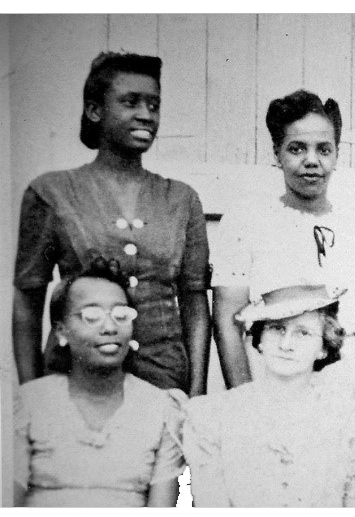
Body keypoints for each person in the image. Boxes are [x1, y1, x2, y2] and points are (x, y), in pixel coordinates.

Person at [13, 52, 211, 396]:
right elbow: (28, 302)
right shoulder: (52, 193)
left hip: (162, 382)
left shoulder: (181, 199)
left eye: (154, 105)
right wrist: (31, 398)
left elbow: (194, 304)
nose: (146, 115)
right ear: (95, 110)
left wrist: (195, 397)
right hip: (73, 382)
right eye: (131, 102)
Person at [212, 89, 355, 407]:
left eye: (323, 149)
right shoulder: (245, 221)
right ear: (277, 153)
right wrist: (245, 407)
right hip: (268, 383)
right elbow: (228, 323)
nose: (312, 160)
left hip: (342, 388)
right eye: (297, 149)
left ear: (337, 154)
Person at [13, 258, 186, 507]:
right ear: (61, 332)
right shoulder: (27, 405)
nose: (109, 327)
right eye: (91, 315)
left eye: (121, 314)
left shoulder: (161, 410)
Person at [183, 284, 355, 507]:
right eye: (276, 329)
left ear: (324, 346)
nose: (286, 344)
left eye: (303, 333)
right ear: (260, 338)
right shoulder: (213, 416)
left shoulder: (350, 420)